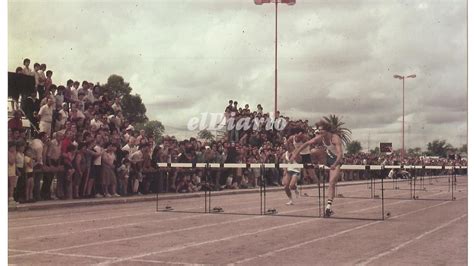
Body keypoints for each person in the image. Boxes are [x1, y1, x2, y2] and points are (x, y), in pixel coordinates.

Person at [292, 119, 344, 217]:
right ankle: (314, 165)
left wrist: (335, 164)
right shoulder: (321, 137)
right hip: (327, 157)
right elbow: (307, 143)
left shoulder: (335, 138)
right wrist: (296, 152)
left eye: (321, 131)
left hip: (337, 160)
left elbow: (340, 154)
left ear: (327, 130)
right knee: (313, 151)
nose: (320, 133)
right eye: (319, 131)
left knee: (332, 182)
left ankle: (328, 207)